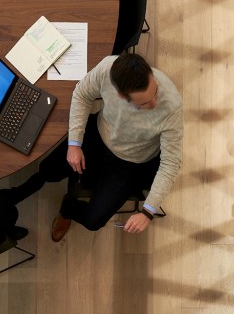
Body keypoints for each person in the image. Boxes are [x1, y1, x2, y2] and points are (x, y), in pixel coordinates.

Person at [22, 52, 183, 242]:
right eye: (145, 103)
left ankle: (68, 209)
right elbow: (82, 94)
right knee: (48, 170)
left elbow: (171, 162)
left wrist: (148, 211)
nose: (155, 103)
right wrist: (74, 143)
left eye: (155, 91)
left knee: (93, 221)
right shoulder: (107, 69)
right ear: (121, 95)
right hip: (99, 134)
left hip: (131, 162)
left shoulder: (171, 107)